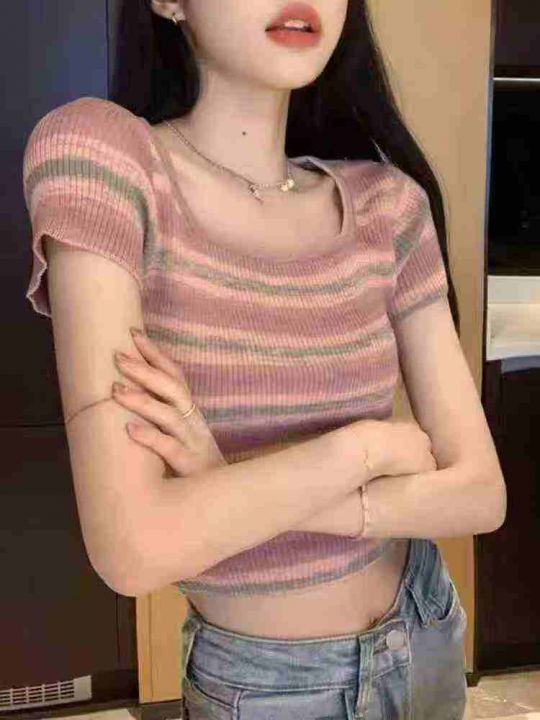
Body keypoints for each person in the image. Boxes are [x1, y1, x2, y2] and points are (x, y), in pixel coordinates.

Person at [22, 0, 507, 718]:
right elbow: (135, 547)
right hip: (269, 687)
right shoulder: (105, 157)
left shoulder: (389, 204)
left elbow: (480, 496)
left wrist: (223, 480)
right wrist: (364, 449)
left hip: (425, 621)